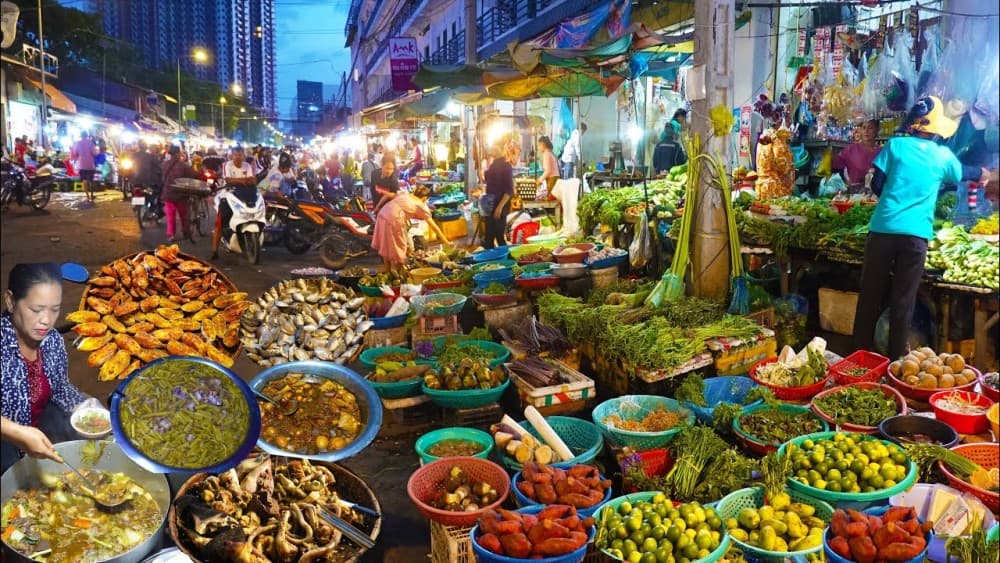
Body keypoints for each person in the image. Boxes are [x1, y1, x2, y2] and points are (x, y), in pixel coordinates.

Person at [852, 96, 991, 360]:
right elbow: (965, 172)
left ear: (913, 123)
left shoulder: (894, 146)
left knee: (870, 295)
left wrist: (897, 198)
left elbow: (877, 186)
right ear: (936, 127)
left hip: (883, 230)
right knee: (903, 302)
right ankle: (895, 364)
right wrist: (983, 173)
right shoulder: (942, 156)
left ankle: (858, 359)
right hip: (915, 237)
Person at [1, 263, 93, 474]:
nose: (46, 321)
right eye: (36, 309)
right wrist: (16, 432)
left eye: (55, 310)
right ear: (11, 301)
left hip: (37, 436)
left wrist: (85, 406)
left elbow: (60, 389)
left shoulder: (52, 341)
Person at [371, 185, 451, 273]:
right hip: (394, 219)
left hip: (382, 214)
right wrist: (446, 241)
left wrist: (377, 208)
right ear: (424, 198)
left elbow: (386, 195)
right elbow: (434, 226)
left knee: (385, 243)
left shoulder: (405, 194)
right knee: (400, 246)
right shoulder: (420, 205)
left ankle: (388, 271)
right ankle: (399, 274)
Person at [210, 147, 258, 260]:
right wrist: (243, 180)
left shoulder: (247, 166)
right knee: (220, 221)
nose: (238, 157)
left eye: (240, 154)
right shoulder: (227, 165)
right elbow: (228, 180)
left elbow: (252, 180)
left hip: (244, 194)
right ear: (232, 156)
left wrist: (242, 180)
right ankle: (215, 250)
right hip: (227, 194)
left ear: (243, 156)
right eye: (236, 154)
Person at [161, 146, 202, 243]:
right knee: (183, 214)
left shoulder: (164, 164)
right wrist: (199, 172)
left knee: (170, 215)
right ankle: (185, 231)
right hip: (181, 194)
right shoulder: (183, 165)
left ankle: (171, 234)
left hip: (168, 193)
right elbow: (193, 175)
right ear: (178, 154)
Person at [833, 118, 882, 190]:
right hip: (855, 194)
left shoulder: (882, 151)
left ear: (877, 130)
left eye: (870, 128)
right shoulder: (851, 149)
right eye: (864, 128)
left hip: (876, 194)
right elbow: (835, 165)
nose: (866, 131)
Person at [482, 145, 514, 249]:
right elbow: (486, 180)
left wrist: (499, 208)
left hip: (500, 204)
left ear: (501, 148)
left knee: (499, 236)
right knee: (488, 237)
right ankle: (489, 262)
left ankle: (506, 259)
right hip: (489, 203)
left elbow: (509, 190)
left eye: (494, 147)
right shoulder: (493, 164)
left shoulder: (506, 165)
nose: (491, 149)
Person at [71, 131, 99, 203]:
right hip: (90, 164)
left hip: (81, 164)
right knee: (91, 181)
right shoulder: (91, 143)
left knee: (84, 181)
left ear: (81, 135)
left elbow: (75, 153)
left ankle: (87, 196)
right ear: (87, 135)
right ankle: (92, 195)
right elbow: (95, 153)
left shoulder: (77, 143)